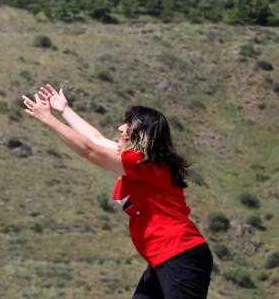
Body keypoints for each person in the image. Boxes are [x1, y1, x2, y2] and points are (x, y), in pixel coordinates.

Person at [22, 84, 212, 299]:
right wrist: (64, 110)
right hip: (163, 257)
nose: (121, 128)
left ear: (141, 135)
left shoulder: (145, 164)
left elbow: (89, 150)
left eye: (128, 125)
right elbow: (96, 140)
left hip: (180, 254)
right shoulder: (142, 162)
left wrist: (48, 119)